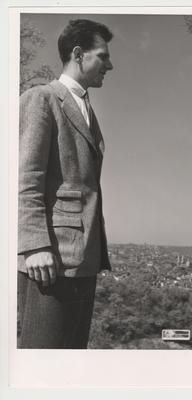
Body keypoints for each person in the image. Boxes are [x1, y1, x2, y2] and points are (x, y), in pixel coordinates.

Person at [18, 19, 114, 348]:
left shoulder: (85, 107)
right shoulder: (41, 99)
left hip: (82, 258)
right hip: (49, 260)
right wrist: (34, 246)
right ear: (78, 54)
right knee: (41, 362)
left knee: (71, 358)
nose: (109, 65)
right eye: (103, 56)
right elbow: (25, 177)